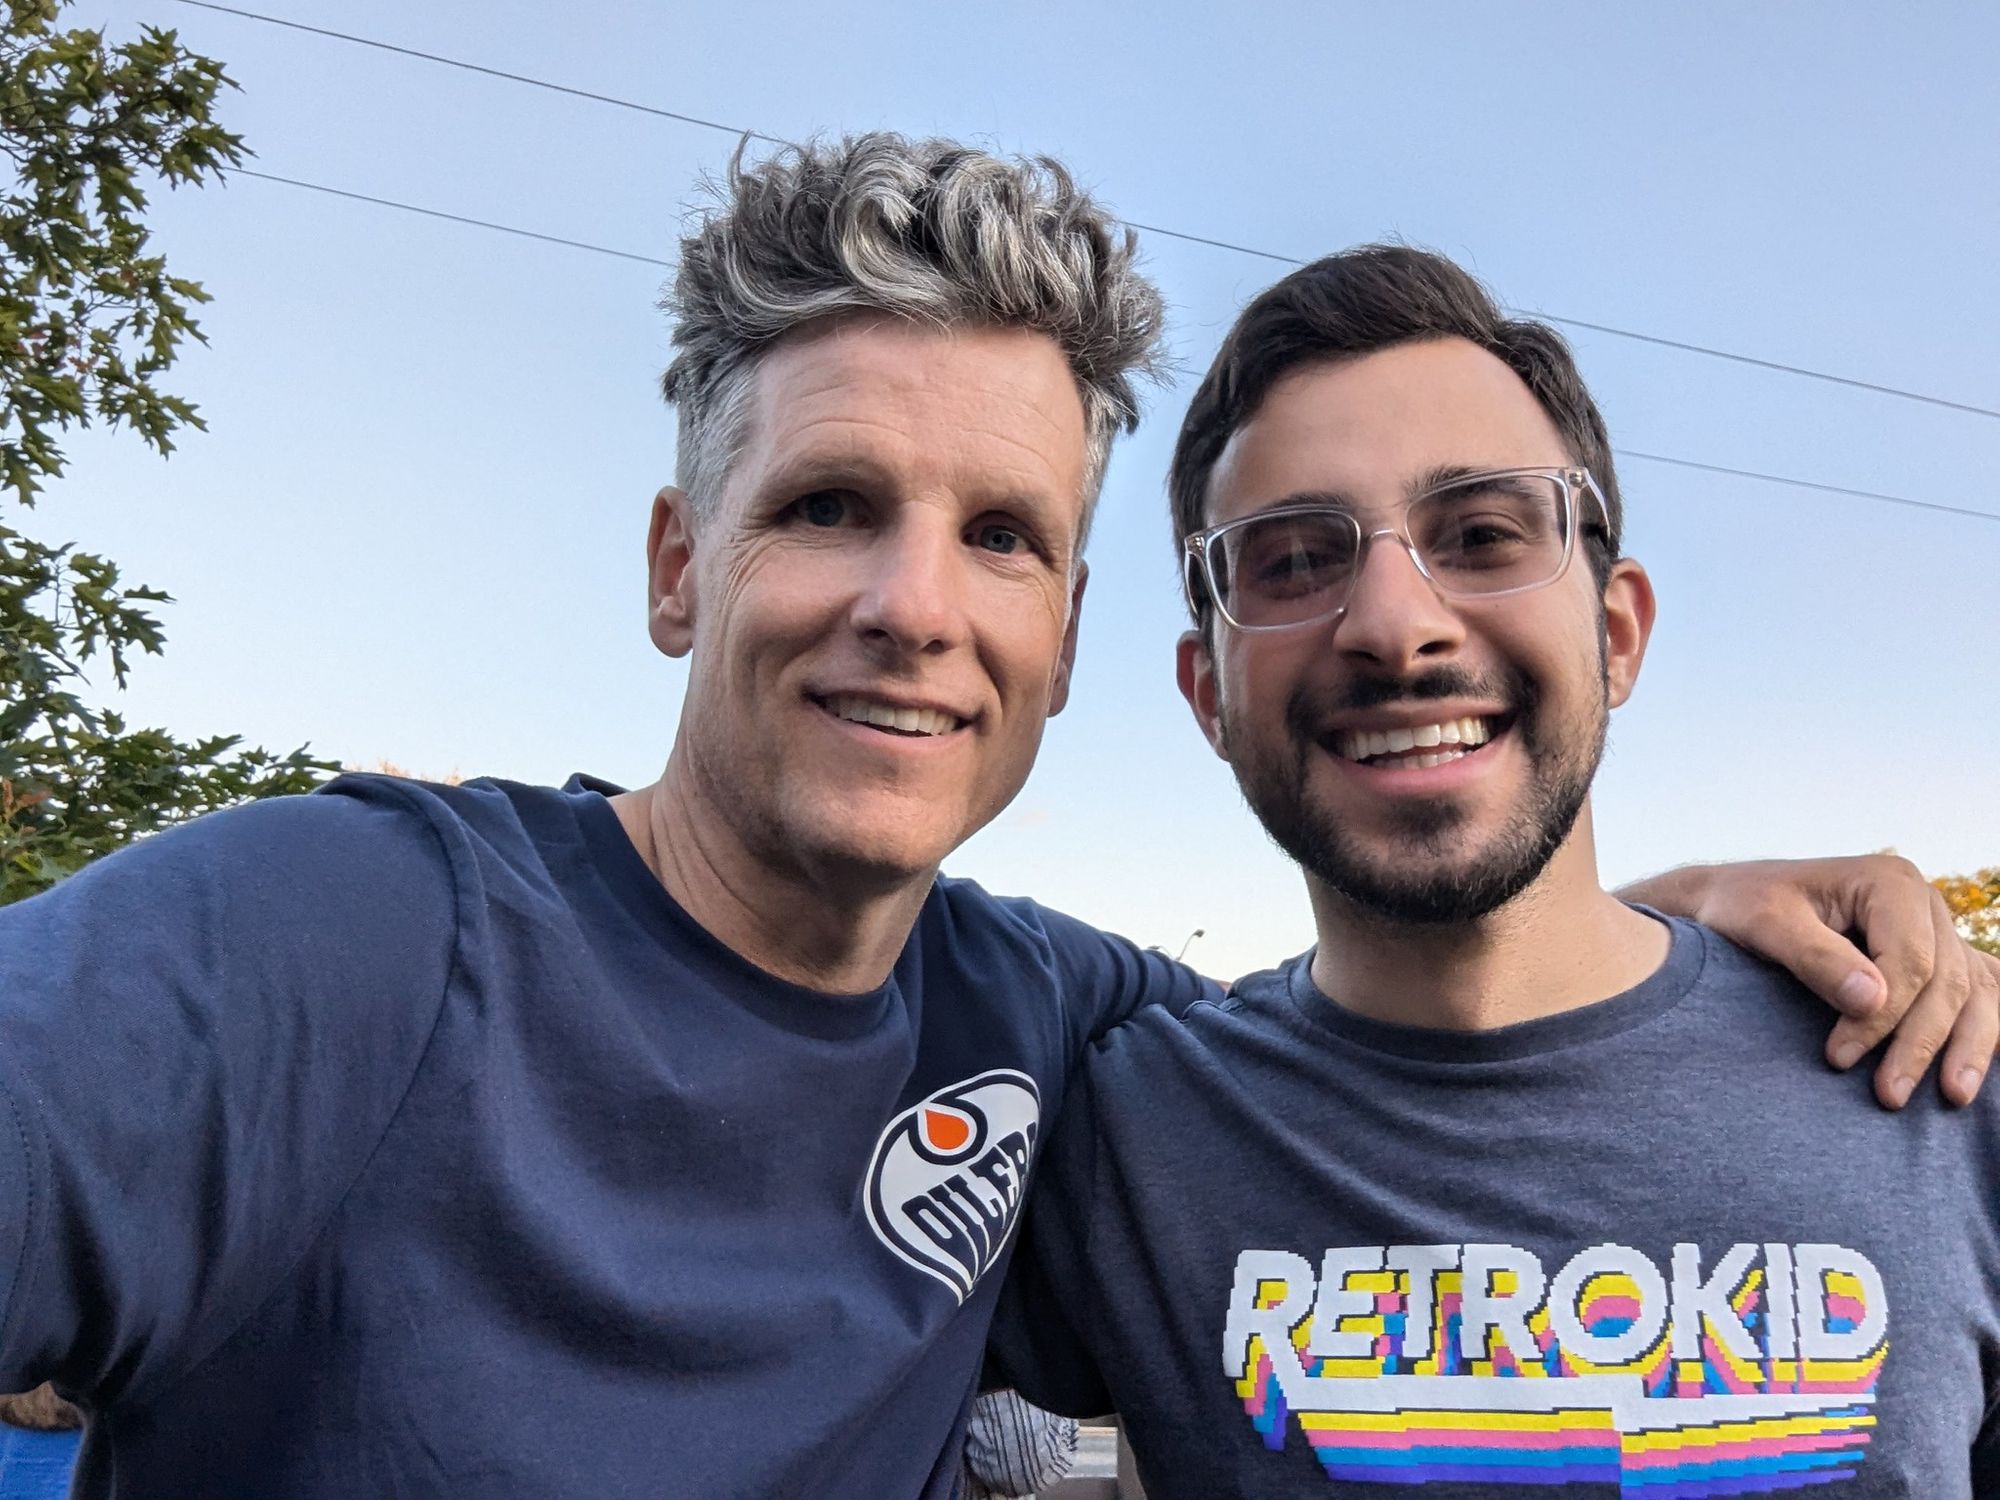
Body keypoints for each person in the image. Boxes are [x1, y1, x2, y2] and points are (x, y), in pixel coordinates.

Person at [0, 137, 1985, 1498]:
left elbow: (1473, 1000)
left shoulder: (1060, 1030)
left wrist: (1682, 929)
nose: (914, 603)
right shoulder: (336, 935)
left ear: (1069, 641)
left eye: (1004, 535)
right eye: (827, 506)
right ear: (680, 567)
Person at [986, 244, 2000, 1497]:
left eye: (1478, 534)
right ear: (1208, 696)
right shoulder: (1119, 1134)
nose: (1393, 625)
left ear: (1614, 633)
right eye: (1293, 560)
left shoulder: (1943, 1076)